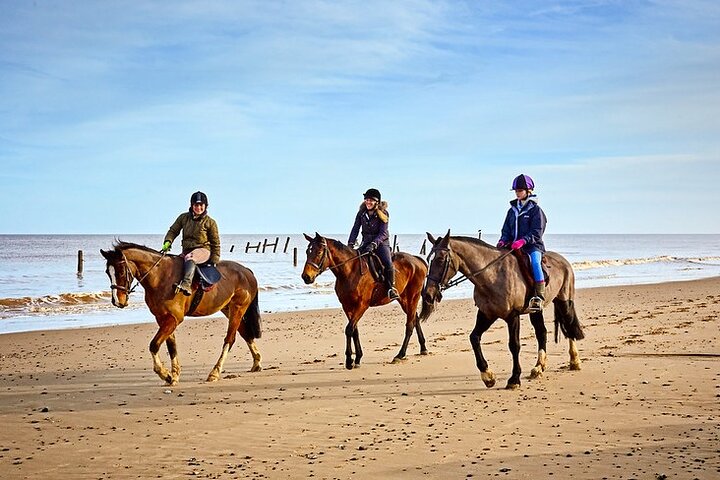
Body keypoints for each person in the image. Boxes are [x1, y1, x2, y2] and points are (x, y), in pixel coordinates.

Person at [496, 174, 547, 312]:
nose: (517, 193)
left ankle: (539, 296)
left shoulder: (536, 211)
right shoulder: (512, 211)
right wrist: (503, 240)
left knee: (535, 263)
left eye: (520, 190)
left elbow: (537, 231)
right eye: (516, 191)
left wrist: (524, 240)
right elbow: (506, 229)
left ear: (528, 191)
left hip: (532, 246)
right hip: (513, 246)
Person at [161, 191, 221, 296]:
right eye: (196, 205)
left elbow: (215, 243)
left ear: (205, 206)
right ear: (192, 205)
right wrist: (168, 241)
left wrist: (214, 260)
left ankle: (186, 284)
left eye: (201, 205)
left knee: (190, 257)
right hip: (187, 250)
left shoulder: (210, 222)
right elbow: (173, 231)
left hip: (203, 250)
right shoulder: (183, 218)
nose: (198, 208)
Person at [348, 188, 400, 301]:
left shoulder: (383, 213)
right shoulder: (361, 213)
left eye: (371, 200)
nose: (368, 202)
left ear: (376, 202)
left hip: (381, 244)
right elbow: (355, 229)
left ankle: (391, 288)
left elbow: (383, 233)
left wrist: (374, 244)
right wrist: (350, 243)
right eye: (366, 200)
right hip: (366, 243)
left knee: (387, 263)